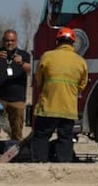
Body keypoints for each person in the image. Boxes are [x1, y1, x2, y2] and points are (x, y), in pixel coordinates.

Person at [30, 27, 88, 163]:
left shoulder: (47, 56)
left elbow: (38, 80)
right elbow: (82, 85)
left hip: (48, 108)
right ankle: (64, 164)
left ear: (57, 41)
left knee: (41, 136)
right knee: (65, 138)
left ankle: (39, 163)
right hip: (68, 109)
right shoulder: (80, 62)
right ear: (73, 43)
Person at [0, 29, 32, 142]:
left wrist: (21, 63)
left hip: (17, 98)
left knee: (16, 129)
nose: (9, 43)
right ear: (3, 41)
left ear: (16, 41)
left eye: (12, 40)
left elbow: (31, 69)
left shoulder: (24, 54)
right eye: (7, 40)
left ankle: (15, 149)